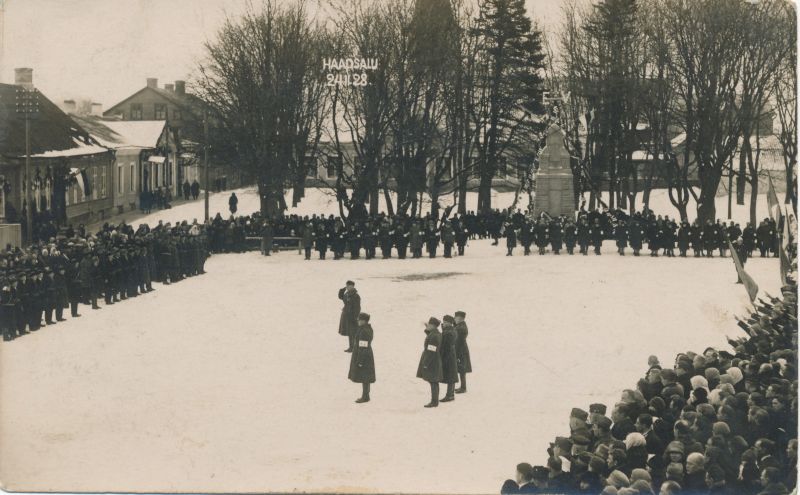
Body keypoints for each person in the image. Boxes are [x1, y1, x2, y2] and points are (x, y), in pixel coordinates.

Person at [416, 317, 443, 408]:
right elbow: (429, 336)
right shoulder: (435, 333)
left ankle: (434, 402)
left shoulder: (434, 336)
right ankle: (435, 401)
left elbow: (431, 351)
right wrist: (428, 328)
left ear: (433, 326)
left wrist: (426, 364)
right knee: (433, 381)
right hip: (434, 360)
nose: (428, 325)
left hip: (432, 361)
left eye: (430, 324)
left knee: (433, 382)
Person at [348, 312, 375, 404]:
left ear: (364, 321)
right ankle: (366, 395)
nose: (358, 321)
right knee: (366, 377)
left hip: (364, 356)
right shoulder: (366, 329)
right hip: (366, 355)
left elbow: (363, 346)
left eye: (359, 319)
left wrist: (360, 361)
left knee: (365, 377)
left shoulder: (364, 331)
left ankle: (365, 397)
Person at [439, 315, 459, 402]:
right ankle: (450, 395)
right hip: (451, 356)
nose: (443, 323)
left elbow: (444, 344)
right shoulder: (452, 330)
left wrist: (442, 357)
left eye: (445, 322)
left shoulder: (448, 332)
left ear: (449, 323)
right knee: (451, 376)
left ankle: (450, 396)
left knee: (450, 377)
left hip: (448, 356)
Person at [337, 280, 361, 352]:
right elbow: (341, 297)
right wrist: (342, 290)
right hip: (346, 315)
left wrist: (355, 317)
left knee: (353, 333)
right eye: (346, 286)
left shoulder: (356, 296)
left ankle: (354, 348)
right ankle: (351, 347)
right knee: (349, 332)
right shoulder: (347, 294)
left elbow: (357, 308)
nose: (347, 287)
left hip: (352, 316)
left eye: (348, 286)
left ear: (352, 286)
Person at [454, 310, 472, 394]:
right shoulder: (461, 326)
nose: (454, 319)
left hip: (461, 351)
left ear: (460, 318)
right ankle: (462, 387)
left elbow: (458, 342)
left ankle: (463, 388)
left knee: (462, 370)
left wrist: (456, 354)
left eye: (456, 317)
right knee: (462, 369)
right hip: (462, 350)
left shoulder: (461, 328)